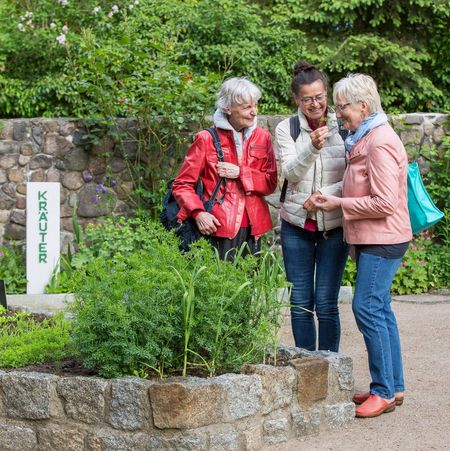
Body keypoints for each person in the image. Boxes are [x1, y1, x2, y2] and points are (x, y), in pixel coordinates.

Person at [313, 73, 413, 418]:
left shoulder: (379, 141)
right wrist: (333, 197)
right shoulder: (366, 136)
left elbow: (385, 203)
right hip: (377, 238)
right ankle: (393, 387)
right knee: (380, 309)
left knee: (367, 308)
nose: (339, 113)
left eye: (343, 107)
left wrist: (339, 205)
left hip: (383, 239)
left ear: (363, 106)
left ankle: (383, 391)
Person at [275, 61, 348, 352]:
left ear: (326, 94)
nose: (315, 104)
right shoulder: (287, 128)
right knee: (301, 302)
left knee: (327, 303)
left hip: (334, 225)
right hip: (296, 226)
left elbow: (355, 177)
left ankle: (330, 368)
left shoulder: (343, 124)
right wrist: (312, 146)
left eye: (320, 97)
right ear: (297, 100)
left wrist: (323, 195)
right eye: (307, 99)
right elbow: (291, 173)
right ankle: (306, 368)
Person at [172, 77, 277, 260]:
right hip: (217, 227)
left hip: (254, 228)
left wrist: (240, 172)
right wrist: (198, 213)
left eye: (255, 105)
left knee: (251, 285)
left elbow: (270, 183)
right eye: (246, 107)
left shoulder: (262, 137)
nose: (254, 112)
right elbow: (182, 184)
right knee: (221, 286)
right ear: (228, 108)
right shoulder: (206, 138)